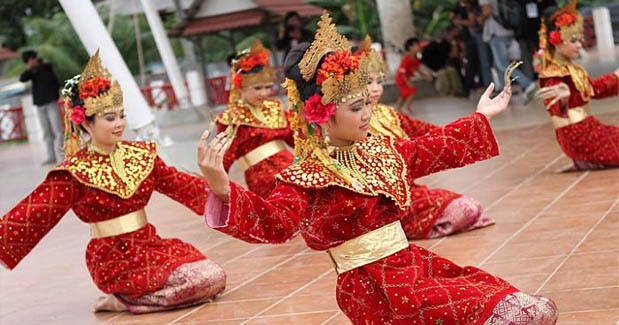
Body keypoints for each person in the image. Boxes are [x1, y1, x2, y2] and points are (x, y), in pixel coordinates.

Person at [198, 12, 558, 324]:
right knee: (516, 314)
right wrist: (221, 189)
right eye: (355, 108)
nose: (367, 113)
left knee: (520, 306)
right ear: (322, 115)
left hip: (414, 265)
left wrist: (481, 117)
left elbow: (428, 148)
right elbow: (274, 224)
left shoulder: (378, 150)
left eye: (365, 103)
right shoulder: (306, 178)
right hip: (376, 291)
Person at [0, 50, 226, 314]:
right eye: (110, 118)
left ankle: (131, 299)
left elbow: (182, 185)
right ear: (84, 122)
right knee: (195, 282)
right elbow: (31, 214)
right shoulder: (74, 172)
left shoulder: (141, 156)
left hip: (149, 244)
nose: (119, 124)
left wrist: (221, 188)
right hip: (112, 257)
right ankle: (121, 299)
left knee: (212, 276)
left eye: (121, 115)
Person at [357, 37, 494, 239]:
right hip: (380, 201)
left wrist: (475, 122)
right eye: (369, 82)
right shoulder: (350, 123)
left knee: (469, 206)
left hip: (408, 191)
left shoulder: (387, 113)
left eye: (379, 81)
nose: (376, 88)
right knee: (464, 209)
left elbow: (429, 132)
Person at [536, 1, 619, 171]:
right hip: (578, 137)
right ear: (556, 41)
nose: (579, 45)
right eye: (573, 40)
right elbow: (556, 112)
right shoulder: (553, 74)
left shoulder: (571, 68)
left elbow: (594, 89)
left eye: (579, 39)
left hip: (589, 129)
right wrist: (564, 101)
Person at [216, 39, 294, 198]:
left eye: (268, 87)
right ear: (241, 87)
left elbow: (297, 137)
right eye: (258, 88)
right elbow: (223, 160)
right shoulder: (232, 119)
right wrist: (217, 186)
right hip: (261, 180)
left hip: (291, 170)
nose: (264, 93)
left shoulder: (275, 108)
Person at [479, 0, 538, 102]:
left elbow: (487, 11)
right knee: (498, 65)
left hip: (496, 32)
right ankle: (504, 94)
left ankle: (527, 84)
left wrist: (480, 19)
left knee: (502, 64)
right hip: (508, 29)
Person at [19, 50, 64, 165]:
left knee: (57, 130)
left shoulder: (46, 67)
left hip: (50, 103)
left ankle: (61, 156)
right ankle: (51, 156)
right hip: (39, 105)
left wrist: (55, 96)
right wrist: (29, 69)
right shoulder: (31, 72)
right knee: (46, 131)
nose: (30, 63)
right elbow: (22, 79)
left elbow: (55, 82)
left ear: (34, 58)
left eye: (30, 60)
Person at [395, 37, 433, 113]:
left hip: (406, 78)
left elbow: (417, 69)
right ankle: (406, 107)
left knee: (405, 94)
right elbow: (402, 71)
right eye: (416, 45)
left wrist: (425, 76)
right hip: (402, 79)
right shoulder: (406, 58)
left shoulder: (416, 58)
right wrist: (407, 82)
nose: (419, 47)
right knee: (411, 92)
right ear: (410, 47)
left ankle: (398, 109)